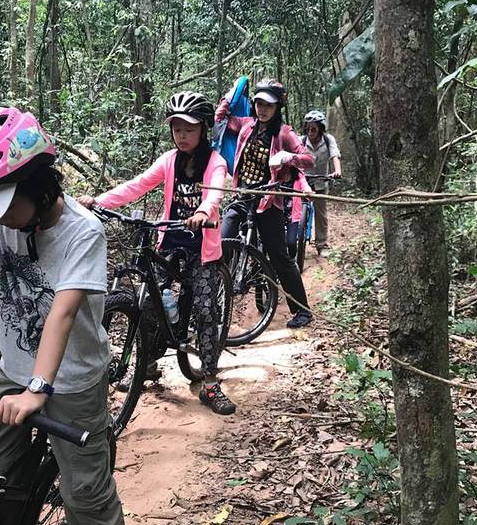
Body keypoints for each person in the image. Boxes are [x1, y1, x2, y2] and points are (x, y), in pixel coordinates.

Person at [0, 106, 146, 525]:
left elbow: (61, 312)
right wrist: (24, 380)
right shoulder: (3, 219)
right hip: (13, 367)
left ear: (41, 186)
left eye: (8, 204)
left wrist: (39, 387)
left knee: (85, 495)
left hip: (72, 379)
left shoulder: (83, 232)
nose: (2, 220)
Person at [78, 91, 236, 416]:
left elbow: (216, 190)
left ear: (204, 129)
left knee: (206, 310)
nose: (182, 135)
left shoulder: (214, 162)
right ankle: (147, 363)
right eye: (177, 128)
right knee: (149, 300)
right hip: (171, 240)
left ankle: (208, 380)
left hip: (202, 248)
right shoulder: (168, 160)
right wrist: (100, 201)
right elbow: (137, 185)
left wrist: (205, 211)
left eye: (189, 129)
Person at [216, 79, 315, 329]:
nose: (262, 109)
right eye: (259, 103)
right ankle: (212, 303)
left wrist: (288, 157)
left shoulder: (284, 133)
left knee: (279, 256)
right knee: (222, 244)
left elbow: (308, 159)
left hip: (268, 201)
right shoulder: (247, 126)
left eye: (268, 105)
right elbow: (222, 117)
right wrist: (230, 95)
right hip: (242, 197)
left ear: (277, 107)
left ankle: (302, 311)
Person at [301, 110, 342, 257]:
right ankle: (294, 241)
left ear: (320, 128)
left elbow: (334, 155)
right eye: (308, 128)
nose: (310, 131)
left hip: (321, 181)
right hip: (302, 182)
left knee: (321, 214)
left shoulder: (328, 139)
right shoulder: (301, 141)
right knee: (295, 212)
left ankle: (322, 244)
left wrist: (337, 171)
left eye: (314, 128)